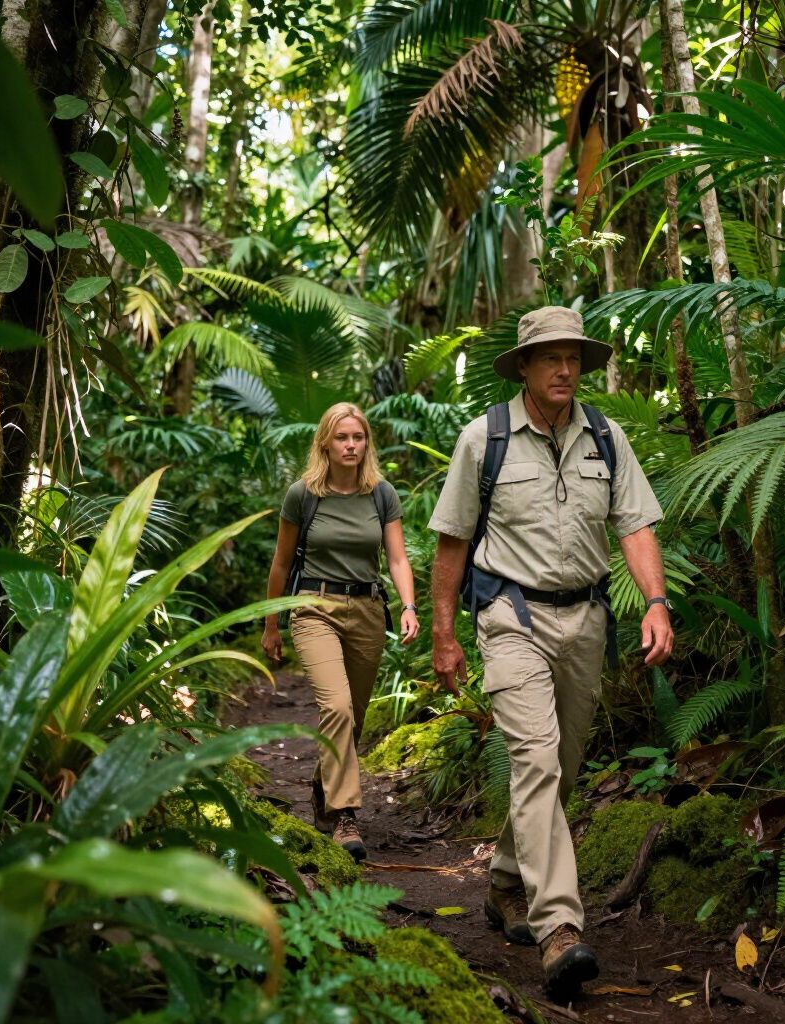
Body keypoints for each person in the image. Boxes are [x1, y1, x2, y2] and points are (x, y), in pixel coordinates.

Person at [428, 306, 674, 996]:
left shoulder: (605, 437)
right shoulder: (485, 440)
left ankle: (507, 881)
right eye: (551, 358)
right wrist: (445, 635)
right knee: (534, 757)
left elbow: (636, 527)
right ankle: (559, 927)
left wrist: (656, 601)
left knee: (559, 770)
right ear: (526, 368)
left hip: (587, 618)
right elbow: (451, 542)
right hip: (511, 615)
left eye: (574, 358)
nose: (566, 369)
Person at [263, 402, 419, 862]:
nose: (351, 445)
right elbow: (281, 561)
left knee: (355, 716)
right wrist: (271, 623)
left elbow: (397, 559)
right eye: (342, 438)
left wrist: (408, 606)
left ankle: (324, 783)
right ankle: (346, 814)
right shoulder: (303, 495)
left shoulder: (381, 494)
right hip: (314, 607)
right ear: (325, 444)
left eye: (358, 437)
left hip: (368, 609)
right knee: (337, 705)